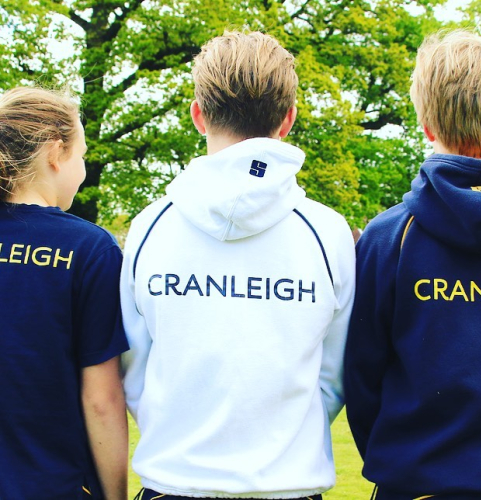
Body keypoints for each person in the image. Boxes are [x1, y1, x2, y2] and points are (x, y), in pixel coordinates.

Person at [121, 30, 355, 500]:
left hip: (175, 483)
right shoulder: (328, 232)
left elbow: (134, 367)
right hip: (287, 486)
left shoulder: (149, 226)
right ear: (288, 119)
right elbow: (333, 376)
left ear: (198, 115)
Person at [344, 30, 481, 500]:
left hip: (414, 485)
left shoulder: (388, 237)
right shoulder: (388, 237)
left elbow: (361, 381)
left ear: (427, 126)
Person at [0, 87, 129, 499]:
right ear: (56, 153)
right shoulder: (90, 249)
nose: (84, 170)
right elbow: (101, 399)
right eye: (82, 156)